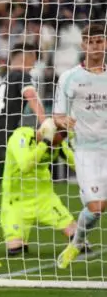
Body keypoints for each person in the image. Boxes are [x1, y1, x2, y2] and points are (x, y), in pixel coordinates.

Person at [55, 24, 107, 269]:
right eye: (91, 41)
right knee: (96, 208)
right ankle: (76, 243)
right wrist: (64, 120)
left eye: (100, 40)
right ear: (83, 45)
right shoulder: (69, 77)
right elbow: (57, 116)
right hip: (86, 150)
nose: (96, 45)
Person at [0, 43, 46, 196]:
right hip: (0, 138)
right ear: (27, 59)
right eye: (33, 61)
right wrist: (45, 123)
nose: (33, 66)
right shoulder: (22, 75)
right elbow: (31, 96)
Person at [1, 121, 77, 255]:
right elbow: (25, 165)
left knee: (79, 241)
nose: (56, 146)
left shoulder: (58, 144)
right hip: (17, 201)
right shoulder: (21, 136)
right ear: (45, 133)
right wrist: (45, 144)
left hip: (44, 198)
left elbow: (76, 164)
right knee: (16, 251)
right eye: (54, 142)